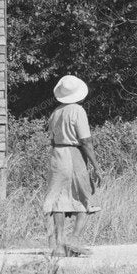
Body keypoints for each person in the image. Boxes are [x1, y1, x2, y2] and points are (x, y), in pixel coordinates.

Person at [42, 74, 103, 257]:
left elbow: (52, 138)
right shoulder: (77, 110)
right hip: (73, 153)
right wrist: (96, 166)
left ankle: (59, 246)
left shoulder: (56, 112)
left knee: (59, 199)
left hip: (56, 155)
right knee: (83, 197)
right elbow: (85, 141)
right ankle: (74, 239)